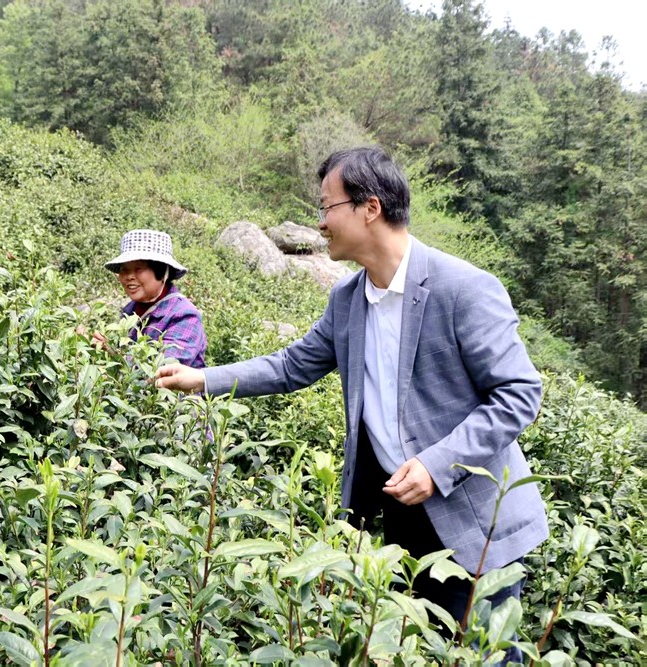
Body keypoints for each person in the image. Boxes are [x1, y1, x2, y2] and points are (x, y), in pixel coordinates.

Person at [155, 147, 547, 660]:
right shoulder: (348, 299)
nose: (320, 222)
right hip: (403, 516)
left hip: (474, 520)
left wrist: (437, 465)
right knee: (415, 650)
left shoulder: (463, 288)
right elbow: (291, 366)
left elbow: (519, 393)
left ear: (370, 208)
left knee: (482, 654)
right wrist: (201, 379)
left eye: (327, 206)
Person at [102, 229, 207, 368]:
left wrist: (113, 354)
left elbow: (162, 369)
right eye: (124, 269)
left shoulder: (185, 316)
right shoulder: (131, 310)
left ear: (162, 271)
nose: (129, 276)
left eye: (138, 269)